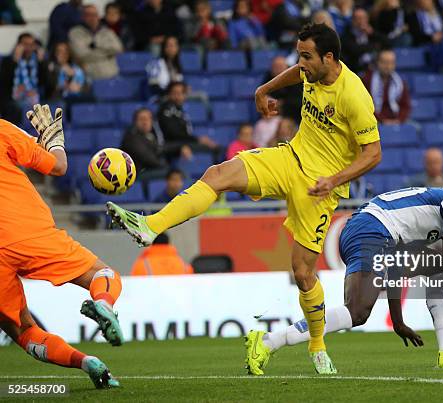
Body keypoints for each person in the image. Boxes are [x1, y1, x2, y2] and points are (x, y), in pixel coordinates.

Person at [107, 23, 382, 375]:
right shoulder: (311, 71)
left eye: (307, 56)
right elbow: (296, 74)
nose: (301, 62)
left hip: (319, 187)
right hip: (288, 159)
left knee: (302, 273)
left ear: (329, 58)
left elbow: (373, 154)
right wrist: (264, 88)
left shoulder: (354, 96)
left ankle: (316, 346)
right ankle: (149, 225)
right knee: (217, 175)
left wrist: (334, 180)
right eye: (299, 54)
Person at [252, 173, 443, 369]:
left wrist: (397, 322)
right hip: (372, 229)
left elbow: (398, 267)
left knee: (438, 268)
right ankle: (268, 342)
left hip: (369, 230)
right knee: (357, 311)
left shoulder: (435, 216)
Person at [0, 105, 123, 388]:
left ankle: (85, 362)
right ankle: (103, 304)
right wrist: (54, 142)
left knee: (22, 330)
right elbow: (57, 166)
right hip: (29, 231)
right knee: (103, 275)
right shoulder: (2, 130)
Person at [157, 81, 219, 160]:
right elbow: (173, 133)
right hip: (170, 145)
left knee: (216, 147)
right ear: (169, 94)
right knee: (211, 148)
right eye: (175, 93)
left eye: (181, 93)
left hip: (182, 142)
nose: (178, 96)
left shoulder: (179, 110)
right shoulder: (166, 109)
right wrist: (197, 139)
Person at [0, 33, 49, 123]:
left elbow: (45, 83)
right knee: (16, 107)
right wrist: (14, 61)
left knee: (54, 106)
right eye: (25, 45)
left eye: (31, 45)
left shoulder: (37, 61)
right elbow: (4, 83)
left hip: (34, 97)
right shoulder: (8, 61)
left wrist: (42, 63)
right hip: (14, 98)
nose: (29, 48)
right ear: (18, 46)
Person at [121, 107, 180, 179]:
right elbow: (147, 158)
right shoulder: (131, 137)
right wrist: (166, 167)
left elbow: (160, 147)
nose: (145, 122)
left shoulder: (149, 136)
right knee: (173, 175)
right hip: (136, 175)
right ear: (135, 122)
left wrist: (180, 148)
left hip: (148, 171)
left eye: (148, 119)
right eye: (142, 119)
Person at [68, 4, 123, 80]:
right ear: (83, 17)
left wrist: (96, 47)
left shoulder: (107, 32)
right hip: (90, 78)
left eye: (95, 14)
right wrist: (107, 54)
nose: (93, 18)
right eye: (89, 15)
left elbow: (118, 49)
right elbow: (81, 54)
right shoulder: (75, 33)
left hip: (112, 76)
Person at [362, 49, 411, 124]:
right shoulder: (367, 80)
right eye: (385, 62)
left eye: (391, 63)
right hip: (373, 120)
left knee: (416, 128)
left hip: (397, 120)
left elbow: (405, 106)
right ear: (378, 63)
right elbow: (365, 106)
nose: (388, 66)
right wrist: (382, 120)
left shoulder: (399, 82)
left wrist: (398, 120)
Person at [341, 8, 387, 73]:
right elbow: (355, 50)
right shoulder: (347, 34)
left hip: (374, 69)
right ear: (353, 21)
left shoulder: (372, 33)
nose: (361, 21)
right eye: (358, 18)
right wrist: (374, 46)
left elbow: (387, 42)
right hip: (355, 70)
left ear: (367, 19)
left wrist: (372, 33)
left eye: (363, 18)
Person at [262, 56, 302, 122]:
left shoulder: (295, 79)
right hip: (273, 116)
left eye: (280, 67)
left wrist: (281, 104)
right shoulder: (268, 78)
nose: (278, 70)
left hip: (294, 116)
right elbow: (262, 93)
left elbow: (298, 101)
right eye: (275, 67)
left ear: (287, 68)